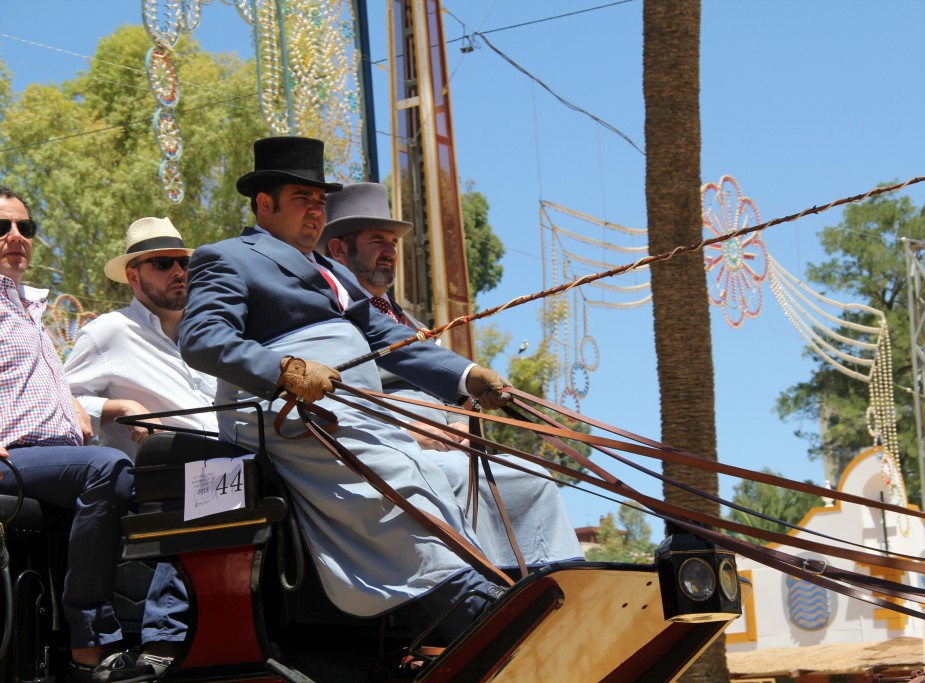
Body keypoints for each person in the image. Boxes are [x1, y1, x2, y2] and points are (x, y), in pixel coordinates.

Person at [178, 137, 514, 644]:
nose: (315, 213)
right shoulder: (227, 257)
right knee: (397, 471)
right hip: (285, 410)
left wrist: (466, 377)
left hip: (355, 409)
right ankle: (468, 600)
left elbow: (391, 341)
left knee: (488, 478)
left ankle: (530, 580)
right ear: (264, 204)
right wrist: (283, 370)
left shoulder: (333, 273)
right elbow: (203, 339)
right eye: (301, 200)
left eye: (320, 202)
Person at [317, 182, 582, 568]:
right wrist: (411, 431)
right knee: (460, 477)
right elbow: (342, 396)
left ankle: (562, 580)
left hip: (449, 448)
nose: (390, 251)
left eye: (393, 242)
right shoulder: (329, 318)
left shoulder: (413, 325)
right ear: (339, 249)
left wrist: (460, 424)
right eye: (377, 241)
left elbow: (453, 392)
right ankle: (498, 589)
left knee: (533, 478)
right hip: (388, 450)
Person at [0, 186, 156, 683]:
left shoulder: (29, 312)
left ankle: (165, 636)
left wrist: (71, 404)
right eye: (2, 227)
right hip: (14, 459)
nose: (16, 237)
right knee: (107, 468)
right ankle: (91, 645)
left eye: (26, 228)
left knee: (166, 493)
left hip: (57, 459)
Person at [64, 217, 216, 675]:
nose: (179, 271)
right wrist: (116, 406)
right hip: (157, 476)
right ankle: (165, 641)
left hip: (224, 457)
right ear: (134, 275)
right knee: (212, 476)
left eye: (184, 262)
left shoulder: (208, 332)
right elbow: (63, 400)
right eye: (163, 263)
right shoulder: (109, 331)